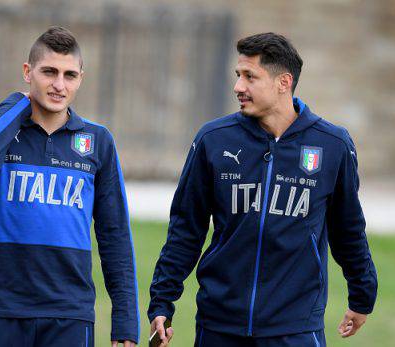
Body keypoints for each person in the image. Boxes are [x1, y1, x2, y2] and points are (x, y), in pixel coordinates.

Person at [148, 32, 377, 346]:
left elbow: (348, 228)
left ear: (283, 82)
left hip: (295, 328)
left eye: (249, 77)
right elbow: (186, 228)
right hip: (219, 325)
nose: (238, 86)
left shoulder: (333, 145)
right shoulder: (213, 140)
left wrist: (362, 293)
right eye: (238, 75)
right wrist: (162, 300)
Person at [0, 26, 139, 347]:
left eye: (70, 75)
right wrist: (16, 107)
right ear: (28, 73)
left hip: (70, 315)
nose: (59, 85)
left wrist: (125, 321)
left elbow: (115, 236)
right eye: (49, 72)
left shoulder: (98, 141)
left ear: (81, 78)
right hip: (1, 310)